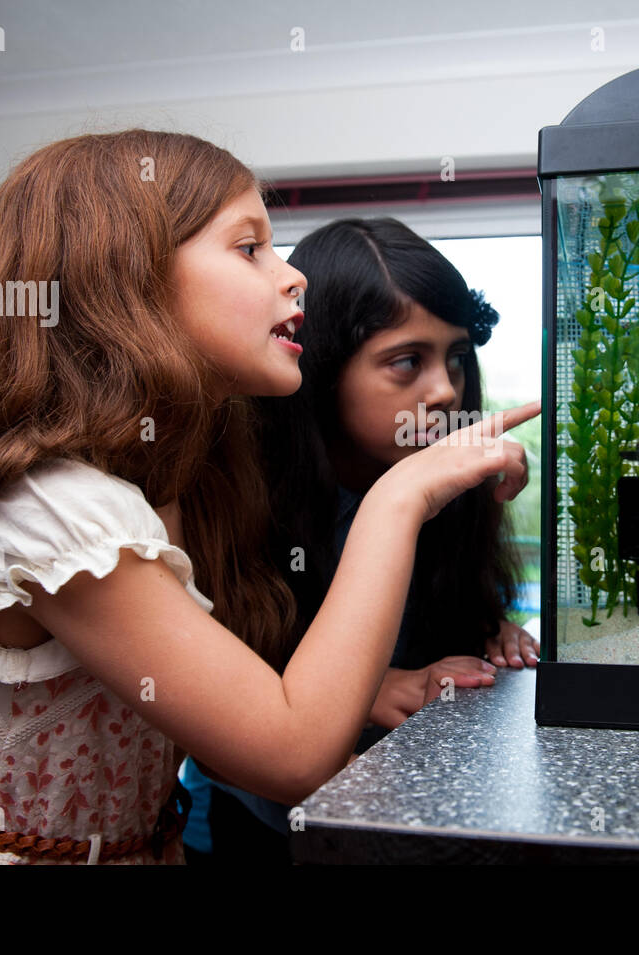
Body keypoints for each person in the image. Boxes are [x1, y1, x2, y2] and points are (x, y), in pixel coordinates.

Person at [0, 130, 538, 864]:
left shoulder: (174, 484)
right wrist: (403, 495)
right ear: (127, 280)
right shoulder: (52, 506)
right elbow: (293, 752)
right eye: (250, 248)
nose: (294, 279)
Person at [181, 217, 539, 864]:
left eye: (457, 356)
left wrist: (493, 634)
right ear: (321, 367)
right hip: (253, 828)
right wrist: (368, 689)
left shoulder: (447, 490)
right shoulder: (234, 497)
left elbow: (444, 629)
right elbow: (211, 707)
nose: (445, 389)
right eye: (407, 361)